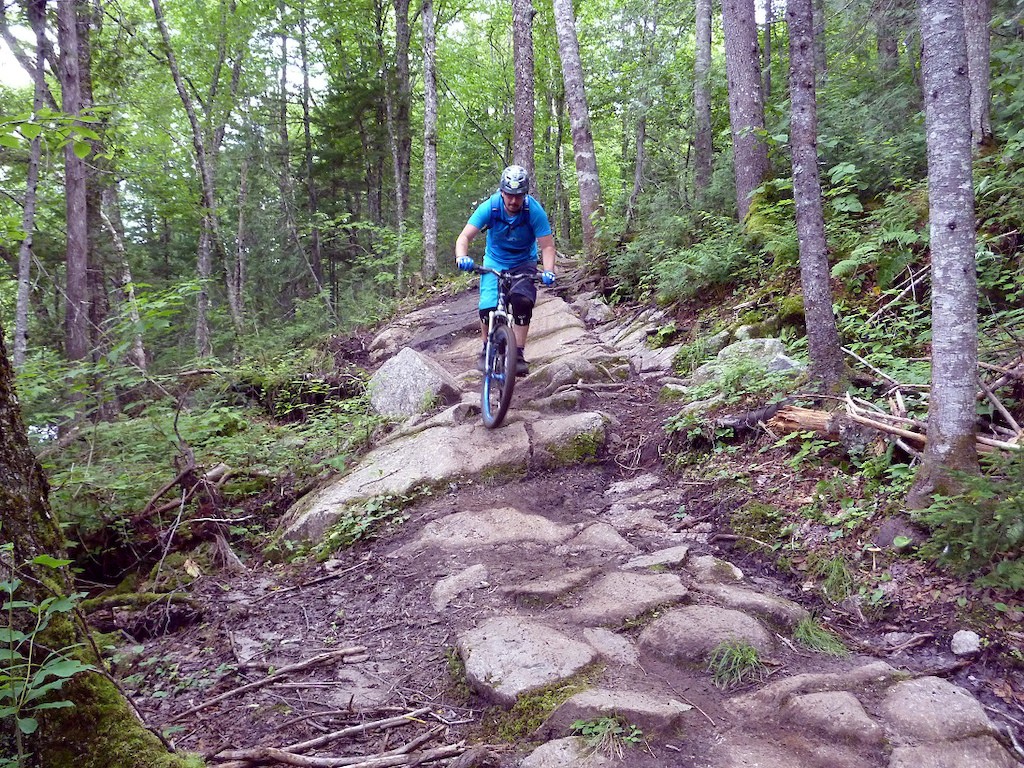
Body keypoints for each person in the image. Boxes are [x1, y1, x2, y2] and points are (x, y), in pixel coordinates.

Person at [454, 164, 556, 377]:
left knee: (522, 302)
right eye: (509, 195)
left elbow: (547, 245)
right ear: (502, 192)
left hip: (524, 262)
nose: (513, 201)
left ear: (525, 195)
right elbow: (464, 237)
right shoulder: (490, 207)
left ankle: (517, 354)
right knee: (487, 308)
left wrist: (548, 271)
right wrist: (462, 257)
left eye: (518, 196)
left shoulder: (533, 211)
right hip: (495, 261)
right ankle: (486, 349)